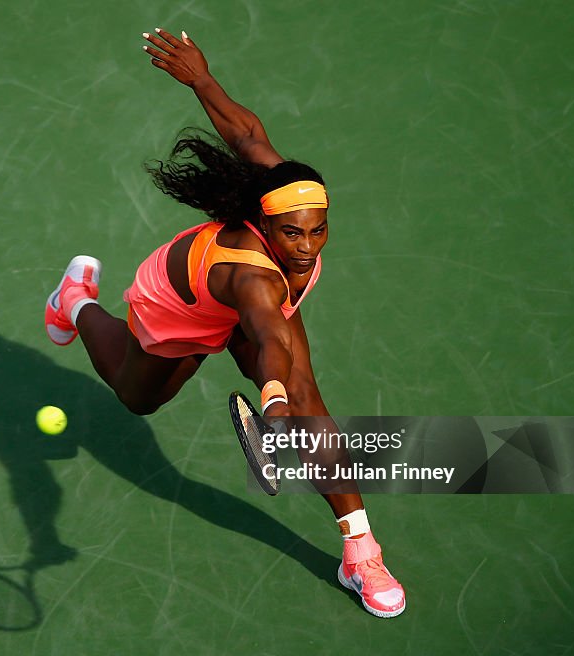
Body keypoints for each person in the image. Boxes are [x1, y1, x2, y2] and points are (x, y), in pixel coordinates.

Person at [44, 28, 405, 618]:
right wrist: (272, 395)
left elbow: (247, 134)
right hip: (182, 303)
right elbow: (265, 334)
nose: (308, 248)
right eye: (294, 234)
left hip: (251, 311)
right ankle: (78, 299)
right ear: (268, 226)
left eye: (319, 230)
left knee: (309, 401)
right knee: (137, 398)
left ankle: (361, 551)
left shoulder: (281, 190)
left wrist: (201, 80)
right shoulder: (255, 277)